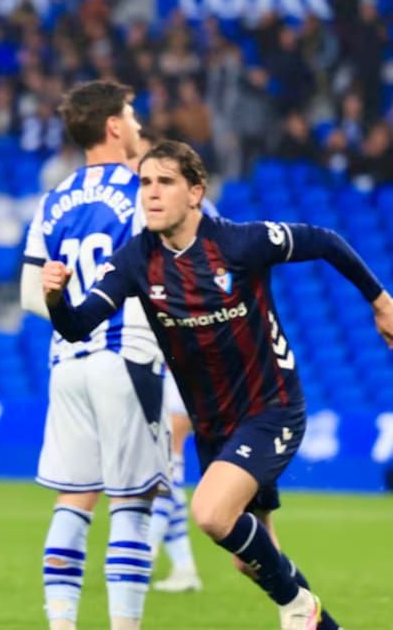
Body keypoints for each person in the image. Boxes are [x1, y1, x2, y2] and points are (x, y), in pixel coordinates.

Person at [43, 139, 393, 630]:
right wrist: (57, 299)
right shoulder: (135, 261)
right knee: (250, 558)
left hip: (271, 409)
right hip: (216, 427)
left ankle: (298, 608)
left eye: (165, 182)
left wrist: (380, 300)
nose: (152, 193)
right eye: (145, 182)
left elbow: (325, 240)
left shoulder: (238, 243)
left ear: (195, 192)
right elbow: (79, 326)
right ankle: (315, 618)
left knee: (210, 513)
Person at [20, 81, 168, 630]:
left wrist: (72, 305)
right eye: (130, 113)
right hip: (126, 356)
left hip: (68, 363)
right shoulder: (140, 188)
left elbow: (30, 295)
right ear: (112, 125)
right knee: (132, 505)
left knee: (73, 502)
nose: (134, 123)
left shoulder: (54, 197)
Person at [129, 129, 203, 593]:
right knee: (165, 461)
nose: (152, 190)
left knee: (167, 459)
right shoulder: (147, 225)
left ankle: (146, 554)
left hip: (186, 355)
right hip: (164, 352)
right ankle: (184, 568)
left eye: (162, 180)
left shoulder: (194, 224)